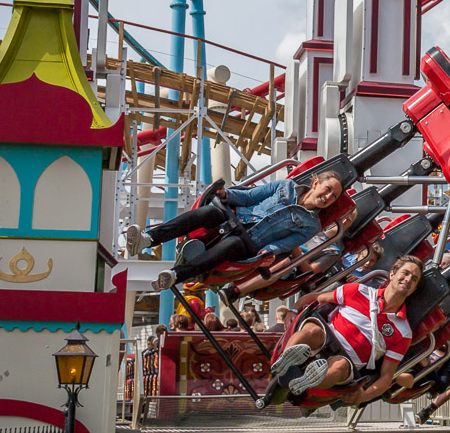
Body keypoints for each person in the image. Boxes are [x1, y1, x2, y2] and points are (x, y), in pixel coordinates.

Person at [126, 172, 344, 291]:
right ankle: (147, 239)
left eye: (333, 197)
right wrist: (225, 194)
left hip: (251, 242)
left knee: (232, 245)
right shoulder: (285, 187)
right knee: (209, 213)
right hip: (239, 216)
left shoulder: (311, 224)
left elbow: (286, 243)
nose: (328, 197)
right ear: (315, 183)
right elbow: (250, 196)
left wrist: (266, 252)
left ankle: (177, 275)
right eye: (327, 190)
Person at [265, 255, 423, 407]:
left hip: (349, 359)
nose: (408, 279)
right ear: (392, 274)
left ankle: (305, 381)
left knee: (339, 367)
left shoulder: (403, 331)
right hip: (329, 335)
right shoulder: (359, 291)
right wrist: (293, 310)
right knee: (313, 331)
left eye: (414, 279)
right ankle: (284, 362)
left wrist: (364, 396)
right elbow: (315, 298)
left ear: (414, 289)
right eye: (405, 273)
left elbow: (386, 376)